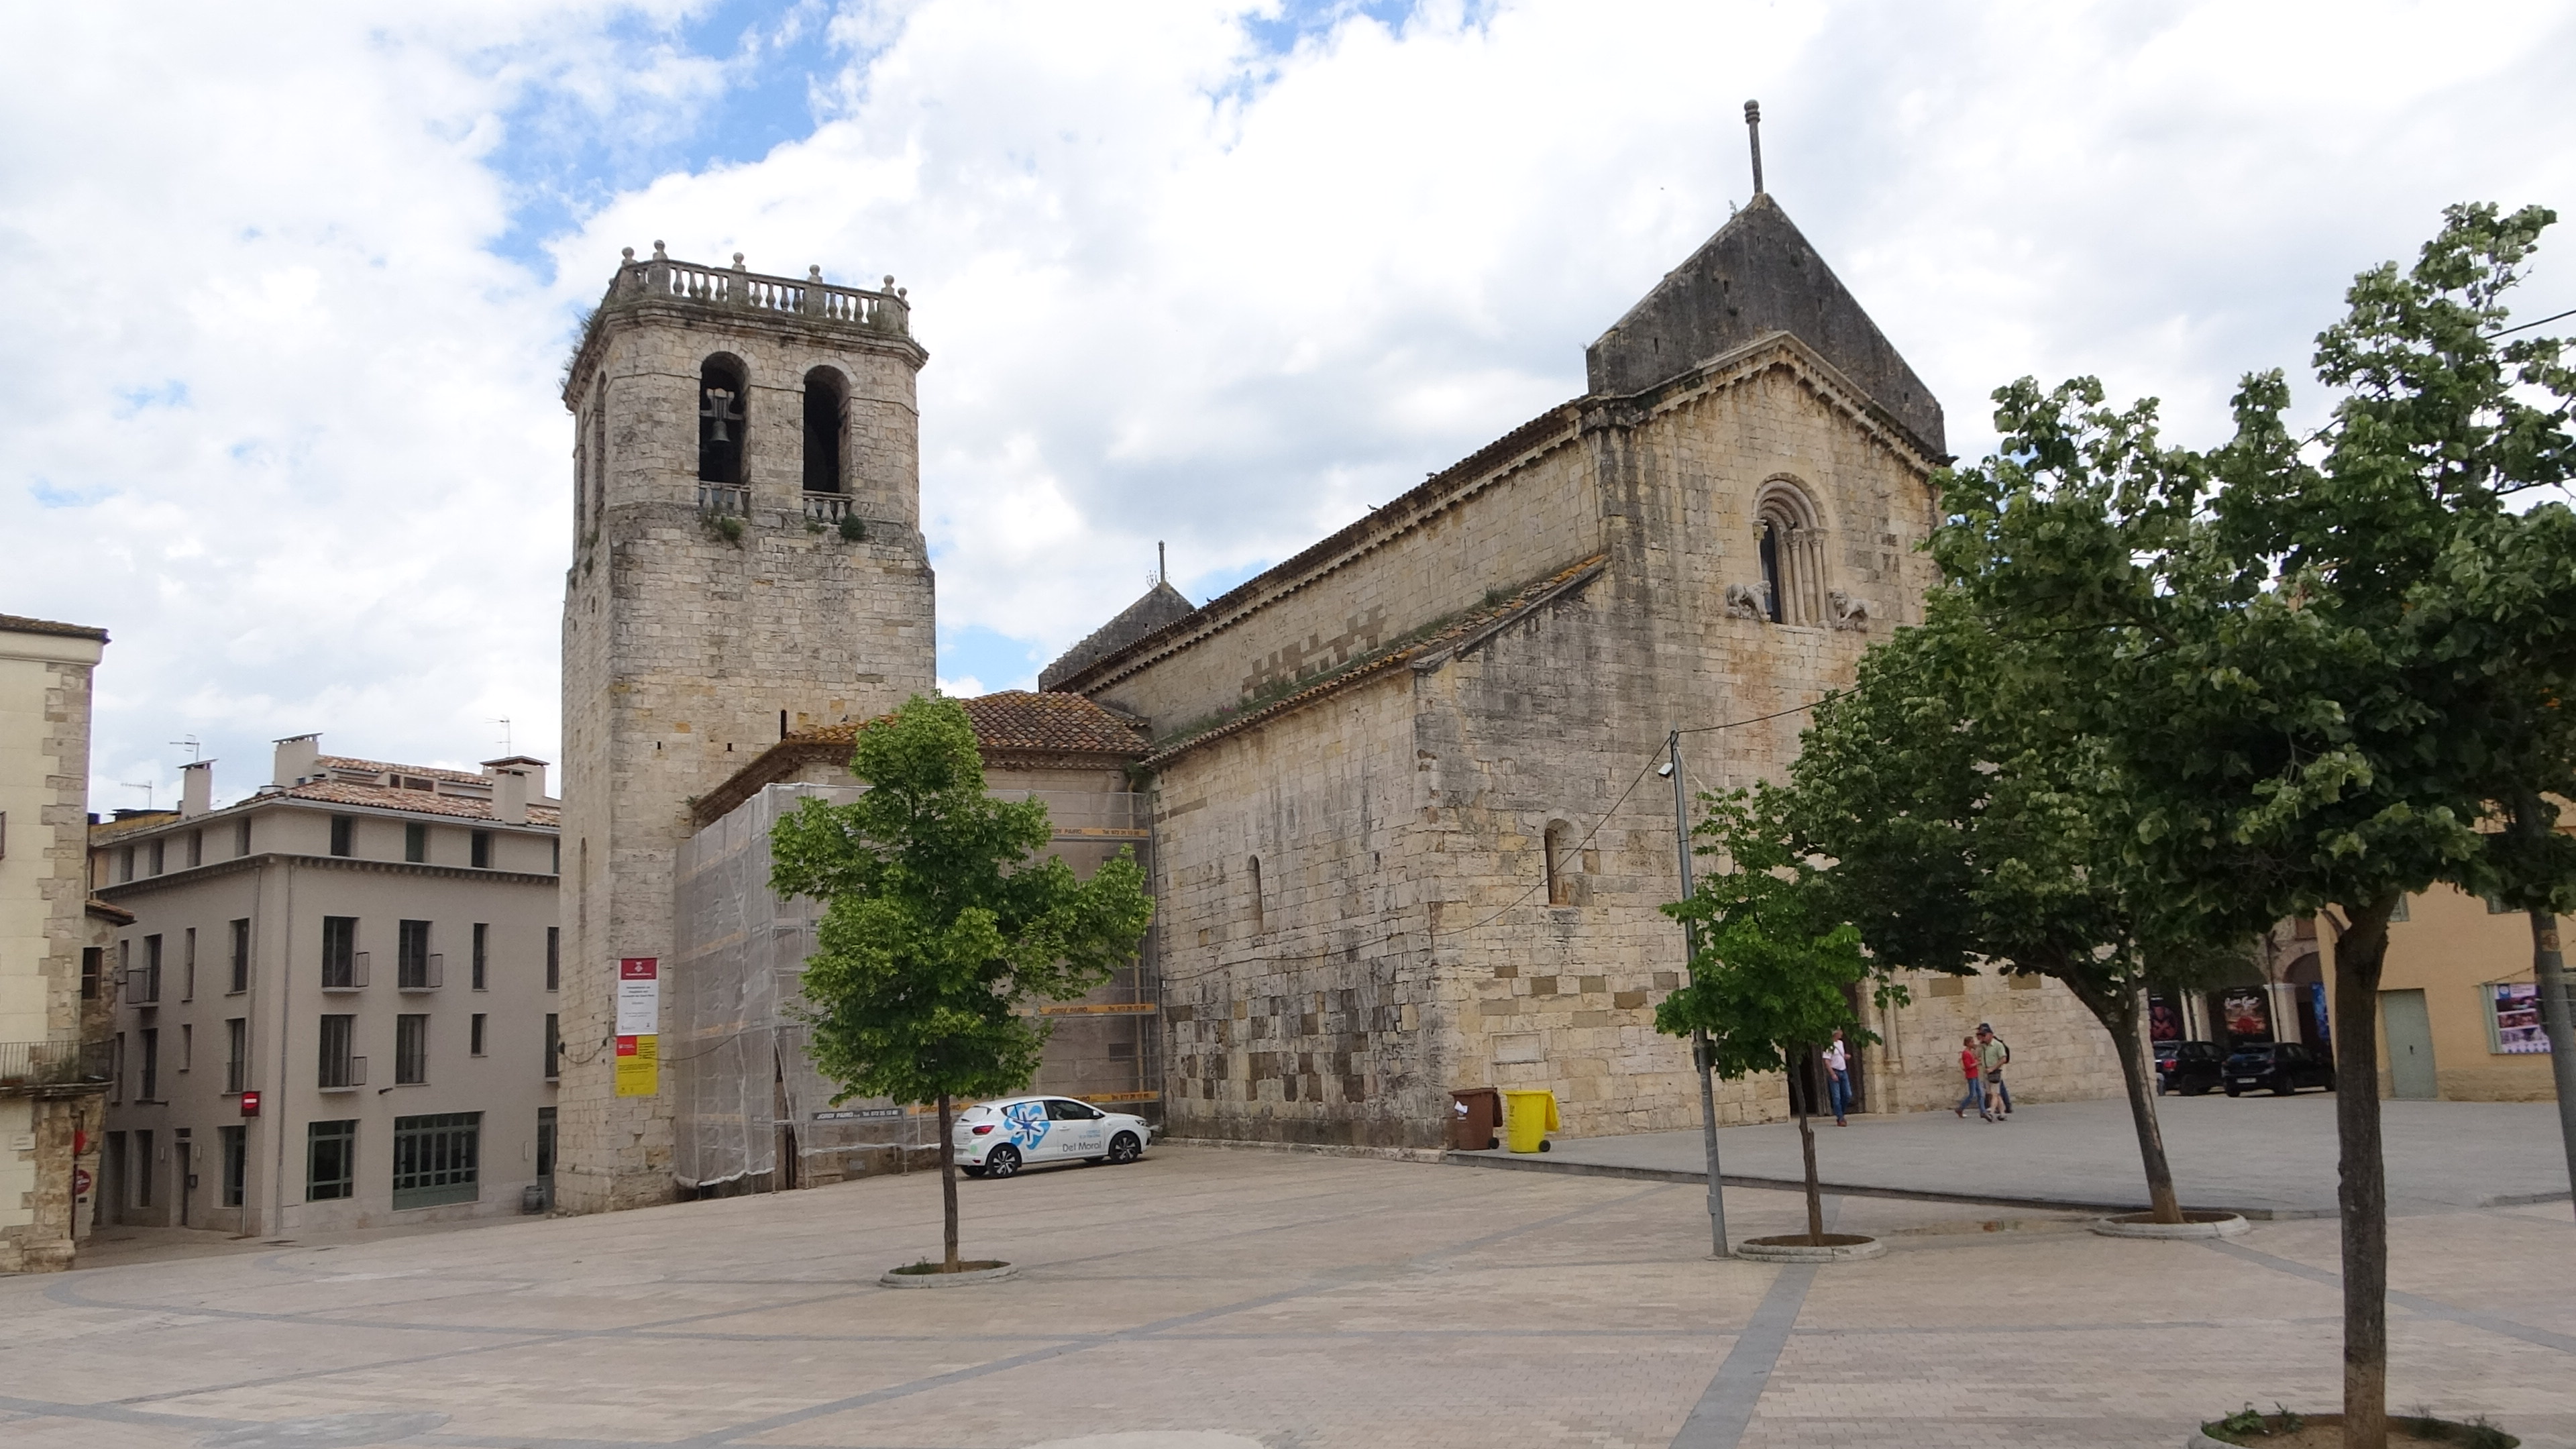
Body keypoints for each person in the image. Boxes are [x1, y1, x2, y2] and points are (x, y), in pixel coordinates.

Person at [1977, 1024, 2010, 1120]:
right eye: (1981, 1035)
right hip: (1986, 1072)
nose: (1983, 1037)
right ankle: (2003, 1113)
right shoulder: (1983, 1046)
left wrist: (1993, 1068)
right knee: (1995, 1093)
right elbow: (1976, 1055)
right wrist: (1980, 1044)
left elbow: (2003, 1059)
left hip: (1995, 1072)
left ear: (1991, 1035)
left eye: (1984, 1035)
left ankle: (1991, 1113)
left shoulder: (1998, 1045)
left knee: (1994, 1093)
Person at [1954, 1034, 1988, 1120]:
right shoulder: (1966, 1053)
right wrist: (1978, 1063)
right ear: (1968, 1043)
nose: (1974, 1043)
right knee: (1973, 1094)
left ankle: (1983, 1111)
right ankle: (1960, 1108)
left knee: (1980, 1094)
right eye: (1972, 1042)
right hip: (1971, 1075)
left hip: (1975, 1074)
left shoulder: (1971, 1052)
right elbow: (1968, 1066)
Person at [1823, 1028, 1851, 1126]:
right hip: (1835, 1072)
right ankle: (1840, 1118)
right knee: (1836, 1097)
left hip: (1843, 1071)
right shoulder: (1829, 1046)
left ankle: (1841, 1114)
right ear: (1836, 1033)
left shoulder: (1840, 1043)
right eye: (1840, 1032)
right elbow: (1827, 1061)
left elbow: (1840, 1055)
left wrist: (1845, 1056)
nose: (1842, 1033)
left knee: (1848, 1094)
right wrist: (1832, 1074)